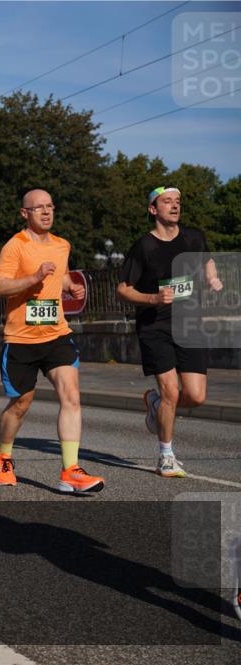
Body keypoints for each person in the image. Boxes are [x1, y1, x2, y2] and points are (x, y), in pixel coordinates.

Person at [0, 189, 103, 494]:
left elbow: (60, 275)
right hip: (21, 339)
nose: (45, 212)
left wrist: (70, 287)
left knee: (71, 395)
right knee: (21, 404)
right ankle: (3, 455)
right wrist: (33, 278)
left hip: (56, 334)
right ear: (24, 213)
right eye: (38, 208)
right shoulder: (15, 246)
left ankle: (70, 470)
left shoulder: (61, 244)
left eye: (50, 206)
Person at [117, 186, 223, 478]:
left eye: (177, 202)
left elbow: (207, 260)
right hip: (156, 327)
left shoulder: (193, 237)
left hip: (190, 325)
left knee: (196, 396)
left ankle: (153, 403)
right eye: (167, 202)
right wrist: (152, 298)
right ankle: (166, 455)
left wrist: (212, 278)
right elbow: (123, 289)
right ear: (153, 209)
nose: (174, 206)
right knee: (171, 393)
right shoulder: (144, 247)